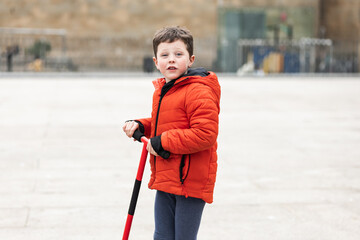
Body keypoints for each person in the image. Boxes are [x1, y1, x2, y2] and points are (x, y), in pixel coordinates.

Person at [123, 26, 221, 240]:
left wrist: (163, 142)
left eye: (178, 54)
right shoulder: (165, 89)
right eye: (165, 55)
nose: (171, 60)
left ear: (191, 59)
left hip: (190, 181)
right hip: (168, 177)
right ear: (156, 62)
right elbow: (166, 122)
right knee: (162, 236)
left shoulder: (198, 90)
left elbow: (205, 133)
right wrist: (141, 125)